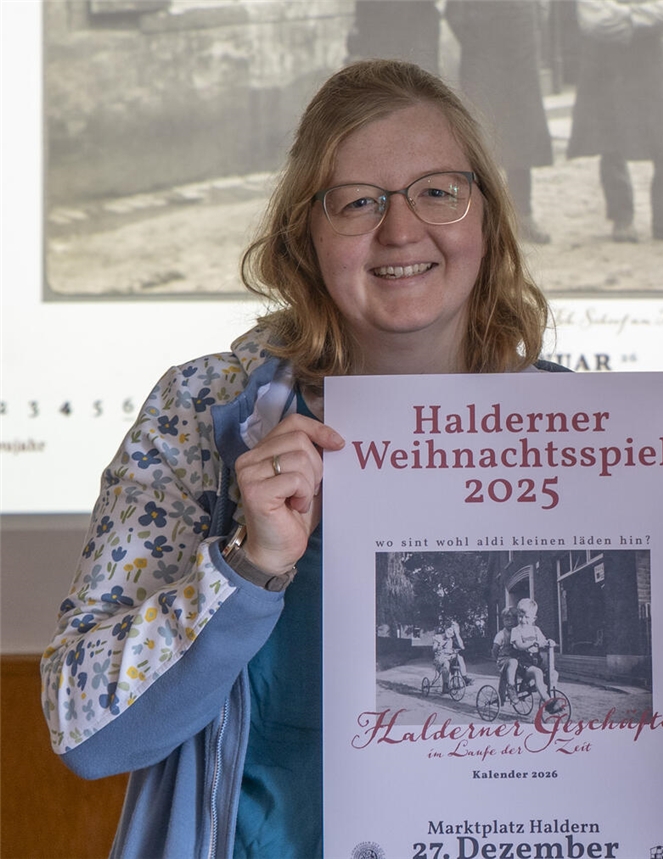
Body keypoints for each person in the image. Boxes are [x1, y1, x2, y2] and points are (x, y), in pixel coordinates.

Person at [40, 59, 558, 858]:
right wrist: (249, 570)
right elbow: (85, 730)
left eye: (438, 190)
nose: (401, 229)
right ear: (303, 236)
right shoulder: (200, 412)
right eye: (357, 203)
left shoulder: (579, 431)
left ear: (485, 214)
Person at [566, 0, 663, 244]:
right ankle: (622, 219)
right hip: (608, 69)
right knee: (611, 145)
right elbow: (593, 19)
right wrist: (641, 20)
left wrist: (624, 17)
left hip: (654, 66)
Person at [445, 0, 554, 244]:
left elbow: (540, 12)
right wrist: (478, 46)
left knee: (521, 138)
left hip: (520, 62)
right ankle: (480, 220)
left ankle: (523, 216)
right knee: (481, 141)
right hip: (483, 64)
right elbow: (456, 15)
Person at [510, 597, 559, 698]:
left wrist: (548, 642)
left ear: (533, 619)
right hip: (523, 663)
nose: (523, 620)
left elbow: (542, 641)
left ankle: (552, 695)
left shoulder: (536, 630)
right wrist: (531, 643)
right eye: (520, 616)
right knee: (538, 673)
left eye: (527, 617)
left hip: (537, 661)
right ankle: (548, 702)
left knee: (553, 674)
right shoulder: (516, 630)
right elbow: (519, 646)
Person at [491, 606, 521, 703]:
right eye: (507, 619)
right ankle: (511, 688)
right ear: (503, 621)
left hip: (516, 658)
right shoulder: (501, 634)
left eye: (512, 619)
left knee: (518, 665)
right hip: (504, 659)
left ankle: (523, 688)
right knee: (513, 662)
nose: (510, 622)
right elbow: (495, 649)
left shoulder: (518, 632)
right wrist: (497, 660)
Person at [432, 619, 471, 691]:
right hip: (440, 658)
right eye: (449, 630)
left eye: (453, 632)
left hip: (449, 657)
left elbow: (462, 647)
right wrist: (440, 646)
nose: (450, 633)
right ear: (445, 628)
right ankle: (445, 686)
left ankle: (465, 678)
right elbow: (434, 649)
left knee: (459, 657)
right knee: (446, 664)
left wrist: (457, 634)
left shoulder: (451, 639)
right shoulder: (439, 637)